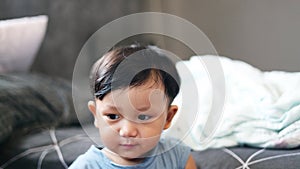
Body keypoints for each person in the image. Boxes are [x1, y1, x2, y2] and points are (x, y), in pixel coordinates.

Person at [69, 44, 197, 169]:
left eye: (143, 117)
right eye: (113, 116)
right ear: (96, 115)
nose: (127, 131)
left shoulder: (177, 156)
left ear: (168, 118)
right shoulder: (87, 166)